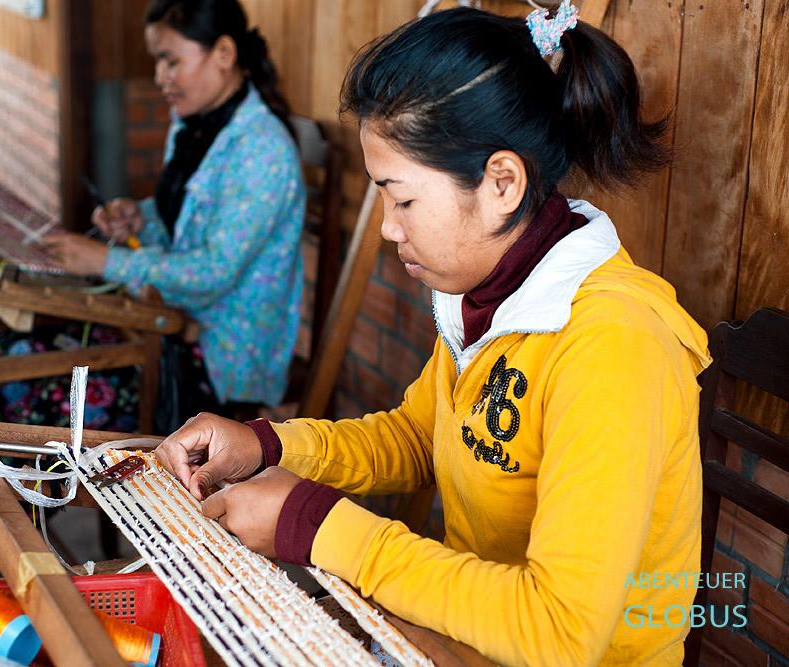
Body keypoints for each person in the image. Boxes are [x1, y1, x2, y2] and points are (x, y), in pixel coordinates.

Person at [154, 4, 711, 666]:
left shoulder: (613, 345)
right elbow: (418, 439)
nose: (389, 226)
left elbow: (560, 631)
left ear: (502, 182)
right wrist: (265, 442)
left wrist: (314, 522)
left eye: (403, 197)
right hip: (464, 639)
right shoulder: (492, 294)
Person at [0, 0, 304, 432]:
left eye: (171, 60)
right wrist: (140, 218)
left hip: (219, 360)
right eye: (157, 62)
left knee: (23, 382)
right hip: (168, 326)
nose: (160, 77)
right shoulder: (193, 125)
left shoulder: (263, 151)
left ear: (223, 54)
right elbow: (182, 225)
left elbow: (215, 270)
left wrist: (104, 261)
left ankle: (8, 496)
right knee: (6, 351)